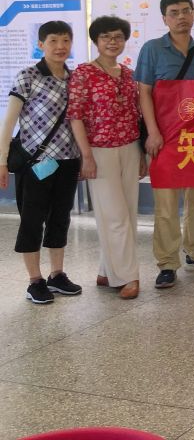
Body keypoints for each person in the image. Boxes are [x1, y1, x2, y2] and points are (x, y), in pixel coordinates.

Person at [136, 0, 194, 290]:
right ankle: (167, 263)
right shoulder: (152, 49)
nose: (181, 17)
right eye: (174, 12)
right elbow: (144, 92)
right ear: (164, 18)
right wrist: (152, 132)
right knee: (166, 204)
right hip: (164, 138)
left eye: (186, 11)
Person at [0, 21, 82, 304]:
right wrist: (1, 161)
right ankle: (35, 281)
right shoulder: (28, 76)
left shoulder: (74, 79)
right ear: (41, 45)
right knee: (32, 221)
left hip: (68, 160)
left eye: (65, 40)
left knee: (60, 218)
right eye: (53, 41)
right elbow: (9, 122)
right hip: (36, 162)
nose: (60, 46)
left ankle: (57, 275)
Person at [67, 16, 143, 300]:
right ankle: (128, 276)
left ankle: (107, 270)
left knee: (127, 214)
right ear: (96, 41)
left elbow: (135, 115)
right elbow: (75, 116)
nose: (113, 42)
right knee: (114, 216)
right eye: (106, 37)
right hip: (99, 151)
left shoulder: (129, 74)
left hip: (130, 148)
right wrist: (86, 155)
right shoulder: (84, 73)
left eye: (118, 37)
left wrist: (141, 153)